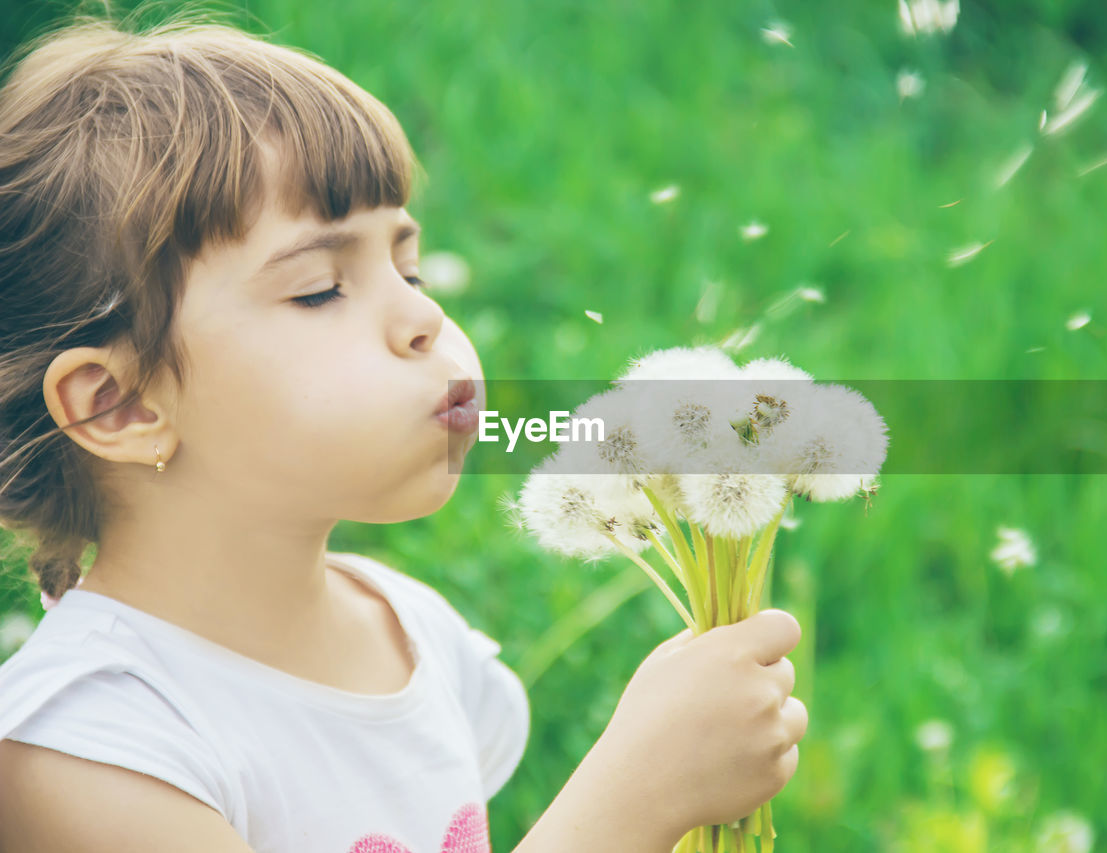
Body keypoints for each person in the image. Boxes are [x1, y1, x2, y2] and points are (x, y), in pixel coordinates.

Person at [0, 14, 807, 853]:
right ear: (119, 406)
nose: (424, 317)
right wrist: (636, 794)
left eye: (409, 267)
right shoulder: (88, 752)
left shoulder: (411, 631)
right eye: (319, 288)